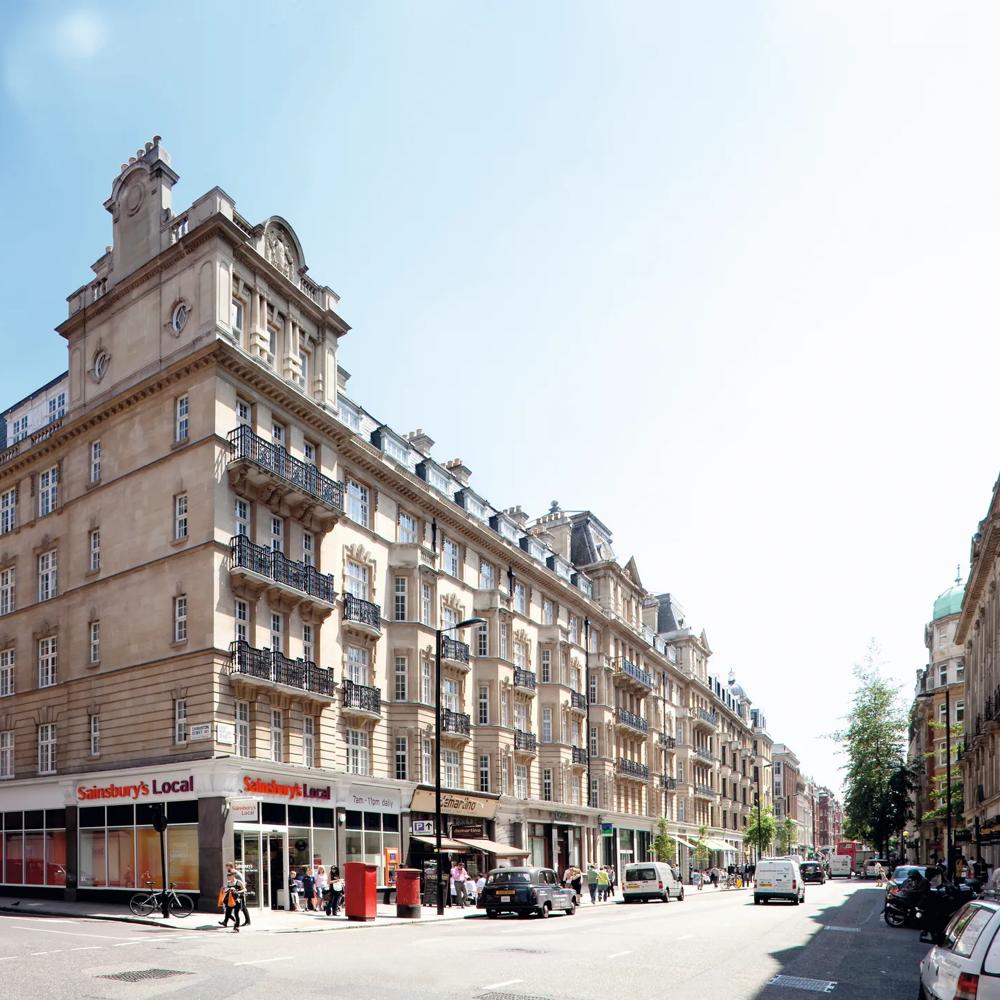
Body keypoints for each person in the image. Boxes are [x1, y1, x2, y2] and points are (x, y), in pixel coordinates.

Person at [225, 862, 251, 927]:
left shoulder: (234, 872)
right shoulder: (231, 873)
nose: (226, 868)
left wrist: (240, 888)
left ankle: (247, 921)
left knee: (243, 907)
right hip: (235, 893)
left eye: (227, 866)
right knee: (230, 908)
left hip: (239, 892)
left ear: (230, 866)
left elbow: (242, 881)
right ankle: (226, 920)